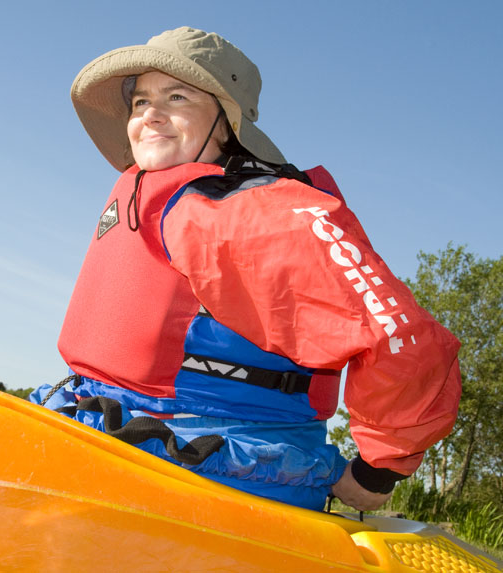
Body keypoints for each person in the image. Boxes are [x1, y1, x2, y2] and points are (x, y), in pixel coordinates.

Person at [31, 27, 461, 512]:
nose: (150, 113)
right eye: (140, 101)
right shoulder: (155, 193)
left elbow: (405, 343)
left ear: (224, 122)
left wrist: (375, 473)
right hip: (104, 422)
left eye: (177, 97)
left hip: (213, 464)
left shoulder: (252, 212)